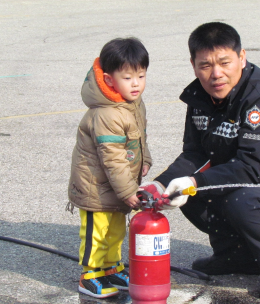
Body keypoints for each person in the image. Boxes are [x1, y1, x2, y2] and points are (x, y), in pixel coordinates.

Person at [144, 22, 260, 299]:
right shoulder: (201, 97)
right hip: (258, 194)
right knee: (185, 189)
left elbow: (249, 168)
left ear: (242, 57)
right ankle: (235, 255)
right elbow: (195, 156)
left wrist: (194, 181)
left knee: (237, 196)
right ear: (193, 64)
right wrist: (160, 186)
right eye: (205, 65)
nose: (216, 74)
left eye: (224, 62)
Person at [67, 37, 152, 299]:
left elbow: (140, 137)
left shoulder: (132, 104)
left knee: (115, 230)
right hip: (97, 187)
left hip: (117, 185)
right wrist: (129, 189)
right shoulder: (107, 114)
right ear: (109, 79)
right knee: (97, 232)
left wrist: (145, 160)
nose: (136, 83)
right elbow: (112, 157)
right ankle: (90, 274)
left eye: (141, 75)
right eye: (128, 77)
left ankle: (111, 268)